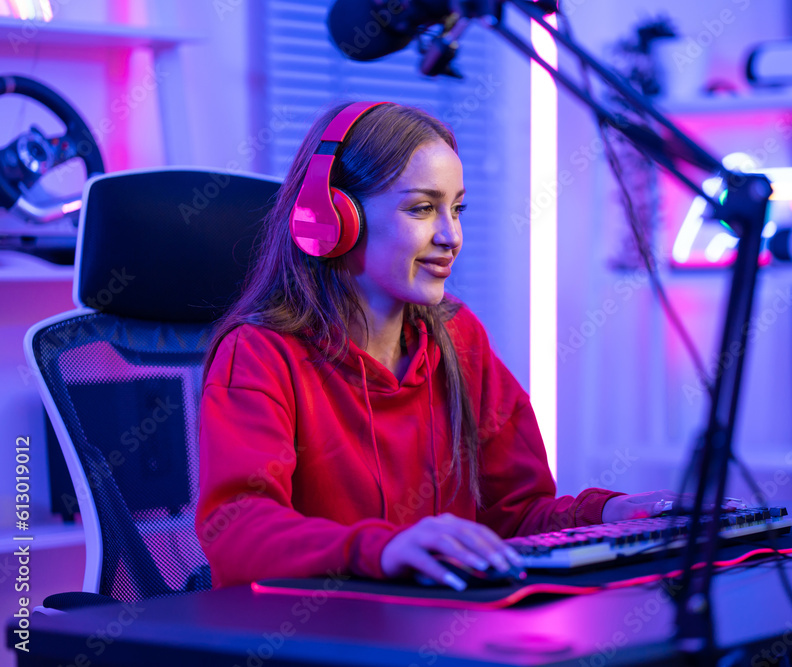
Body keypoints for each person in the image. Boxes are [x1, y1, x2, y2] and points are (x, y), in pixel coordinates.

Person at [195, 101, 685, 592]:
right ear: (335, 218)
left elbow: (512, 517)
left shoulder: (459, 336)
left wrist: (607, 513)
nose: (451, 236)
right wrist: (380, 550)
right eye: (423, 208)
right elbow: (236, 529)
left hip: (439, 631)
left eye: (457, 209)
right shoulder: (261, 353)